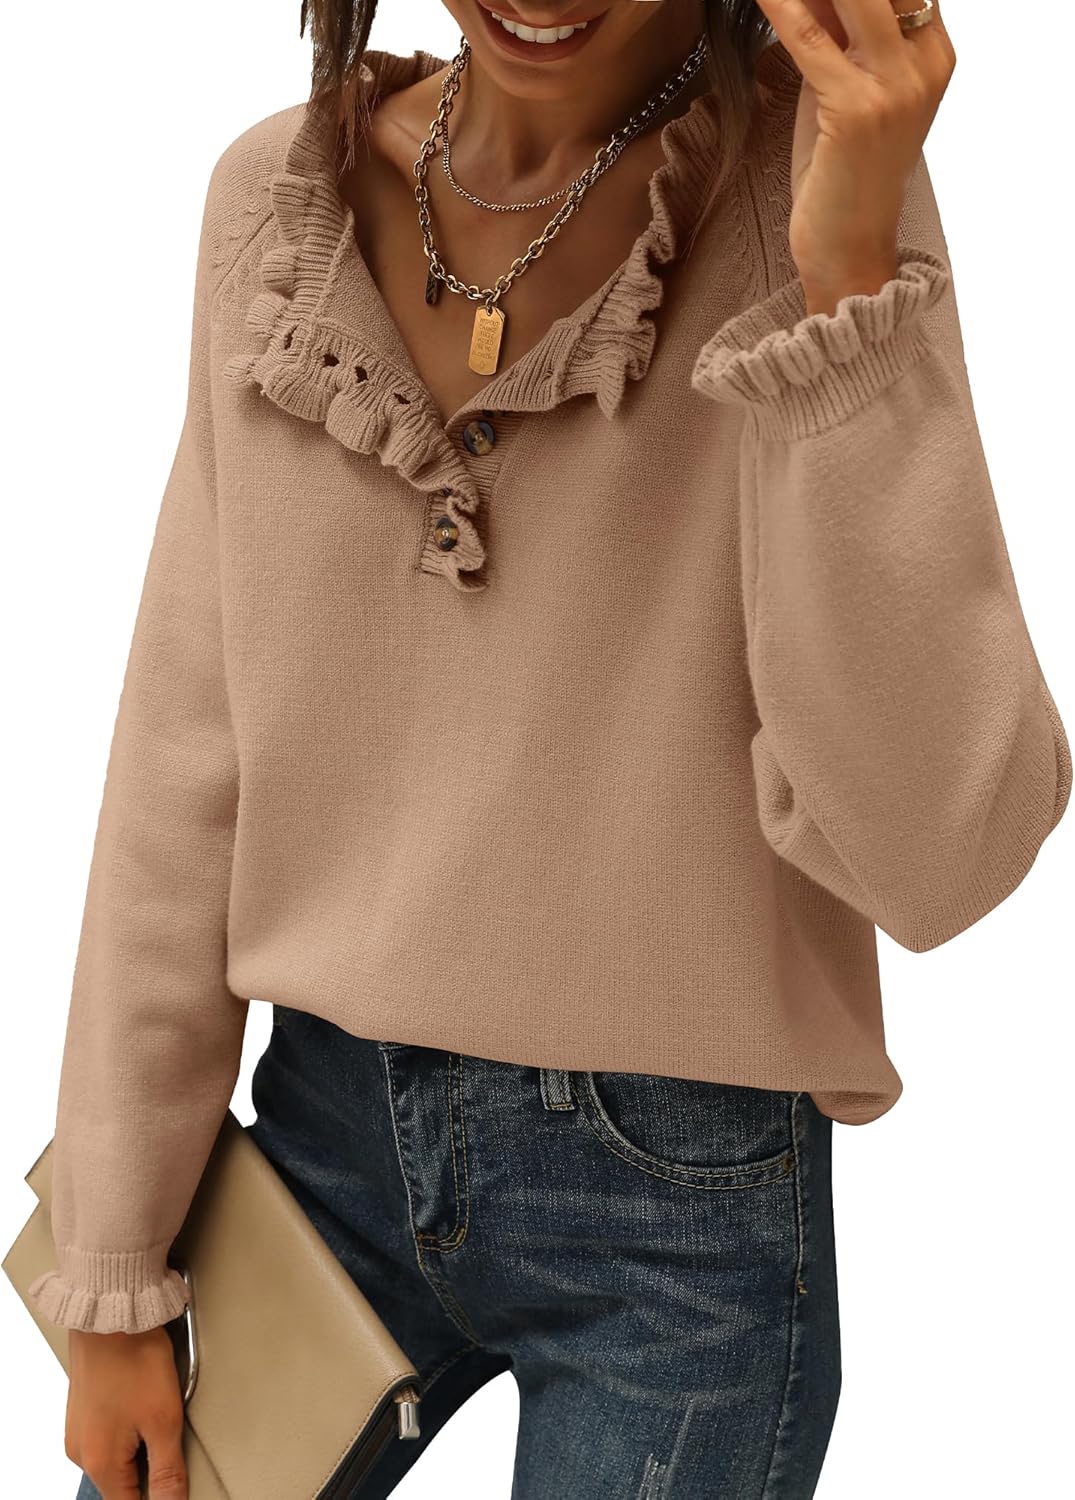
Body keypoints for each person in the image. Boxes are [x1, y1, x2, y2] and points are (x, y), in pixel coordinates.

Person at [25, 0, 1069, 1496]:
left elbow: (946, 855)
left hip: (682, 1216)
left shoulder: (810, 200)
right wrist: (113, 1262)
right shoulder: (274, 202)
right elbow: (186, 751)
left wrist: (842, 283)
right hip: (322, 1151)